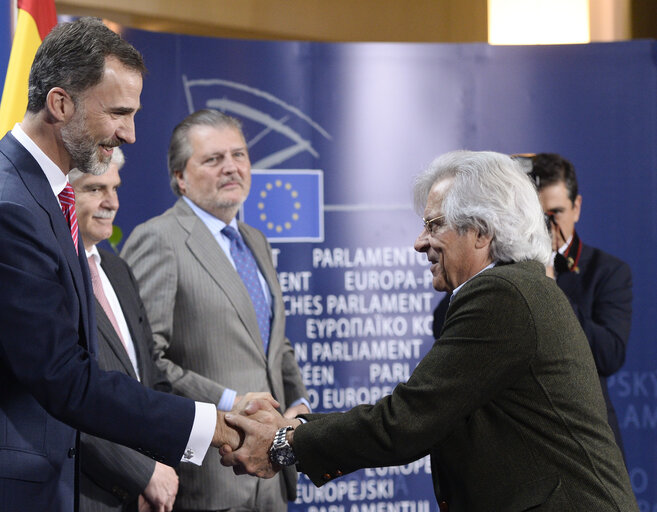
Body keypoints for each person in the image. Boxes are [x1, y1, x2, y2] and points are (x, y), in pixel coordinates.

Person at [0, 19, 243, 512]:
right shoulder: (5, 210)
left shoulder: (45, 194)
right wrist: (210, 424)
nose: (131, 135)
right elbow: (66, 378)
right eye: (119, 112)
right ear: (60, 104)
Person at [221, 150, 638, 511]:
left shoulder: (503, 294)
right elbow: (426, 415)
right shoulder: (517, 287)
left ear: (481, 231)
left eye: (434, 225)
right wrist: (296, 431)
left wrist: (284, 442)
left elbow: (405, 421)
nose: (420, 242)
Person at [121, 109, 309, 511]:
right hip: (205, 476)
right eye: (213, 159)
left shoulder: (255, 240)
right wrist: (228, 401)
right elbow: (145, 361)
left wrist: (299, 405)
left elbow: (273, 344)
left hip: (270, 475)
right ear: (180, 178)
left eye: (238, 155)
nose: (231, 168)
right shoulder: (159, 239)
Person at [70, 148, 179, 512]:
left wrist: (160, 465)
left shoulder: (118, 271)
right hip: (83, 493)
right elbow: (62, 398)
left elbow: (150, 380)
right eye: (95, 189)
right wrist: (142, 473)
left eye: (114, 189)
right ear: (63, 193)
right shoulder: (50, 275)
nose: (111, 203)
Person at [530, 152, 633, 459]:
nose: (546, 225)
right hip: (525, 440)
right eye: (537, 215)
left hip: (587, 440)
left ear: (576, 208)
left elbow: (610, 355)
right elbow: (444, 320)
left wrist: (550, 285)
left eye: (555, 213)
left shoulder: (608, 271)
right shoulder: (507, 267)